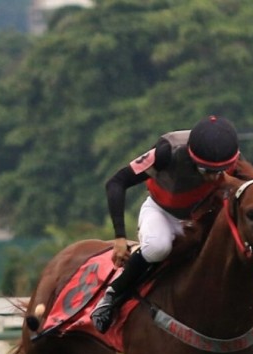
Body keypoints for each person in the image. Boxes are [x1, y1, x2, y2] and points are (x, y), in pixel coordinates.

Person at [90, 115, 242, 333]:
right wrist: (120, 237)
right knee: (158, 247)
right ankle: (112, 296)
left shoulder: (231, 156)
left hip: (203, 217)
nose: (212, 178)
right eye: (205, 171)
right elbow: (117, 182)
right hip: (162, 211)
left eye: (219, 172)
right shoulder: (167, 151)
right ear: (191, 156)